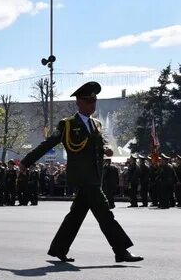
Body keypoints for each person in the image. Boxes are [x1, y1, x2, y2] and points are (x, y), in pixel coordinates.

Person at [20, 81, 142, 263]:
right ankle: (121, 250)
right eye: (88, 101)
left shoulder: (97, 124)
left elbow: (98, 145)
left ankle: (58, 249)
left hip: (95, 176)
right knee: (105, 213)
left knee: (76, 215)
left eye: (94, 101)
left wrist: (106, 148)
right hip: (83, 177)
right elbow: (48, 144)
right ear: (79, 102)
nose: (92, 104)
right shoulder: (68, 124)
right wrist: (26, 161)